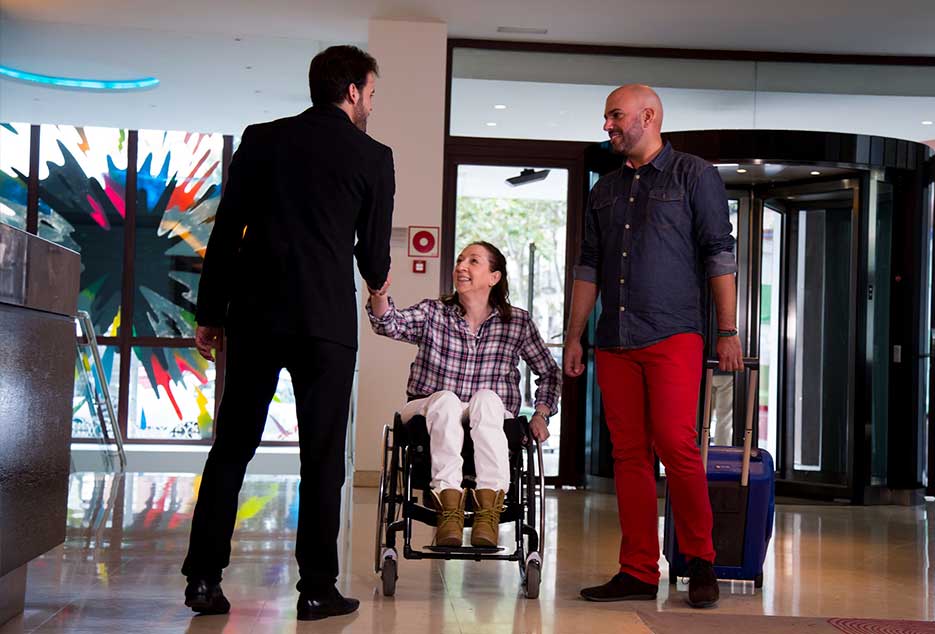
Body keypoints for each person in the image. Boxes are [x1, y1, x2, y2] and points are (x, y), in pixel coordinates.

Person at [181, 45, 394, 621]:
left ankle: (203, 579)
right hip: (325, 321)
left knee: (232, 445)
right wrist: (378, 281)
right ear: (352, 91)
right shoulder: (373, 156)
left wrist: (210, 313)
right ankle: (317, 588)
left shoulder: (262, 137)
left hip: (254, 314)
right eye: (372, 93)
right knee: (322, 456)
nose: (372, 103)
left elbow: (227, 232)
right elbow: (373, 253)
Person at [565, 84, 743, 608]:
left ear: (648, 116)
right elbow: (588, 268)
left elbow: (719, 253)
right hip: (615, 339)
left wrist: (727, 331)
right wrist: (575, 336)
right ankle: (638, 570)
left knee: (677, 445)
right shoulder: (605, 189)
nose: (607, 126)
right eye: (606, 117)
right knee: (629, 455)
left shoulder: (694, 176)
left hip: (674, 333)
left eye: (615, 116)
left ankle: (700, 561)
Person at [367, 241, 560, 548]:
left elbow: (549, 372)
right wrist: (379, 295)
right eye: (459, 260)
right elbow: (389, 324)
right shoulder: (434, 313)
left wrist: (541, 414)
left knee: (486, 397)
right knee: (446, 400)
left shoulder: (517, 322)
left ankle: (488, 514)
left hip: (490, 412)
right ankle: (449, 510)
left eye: (473, 261)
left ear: (494, 277)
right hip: (428, 406)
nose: (461, 267)